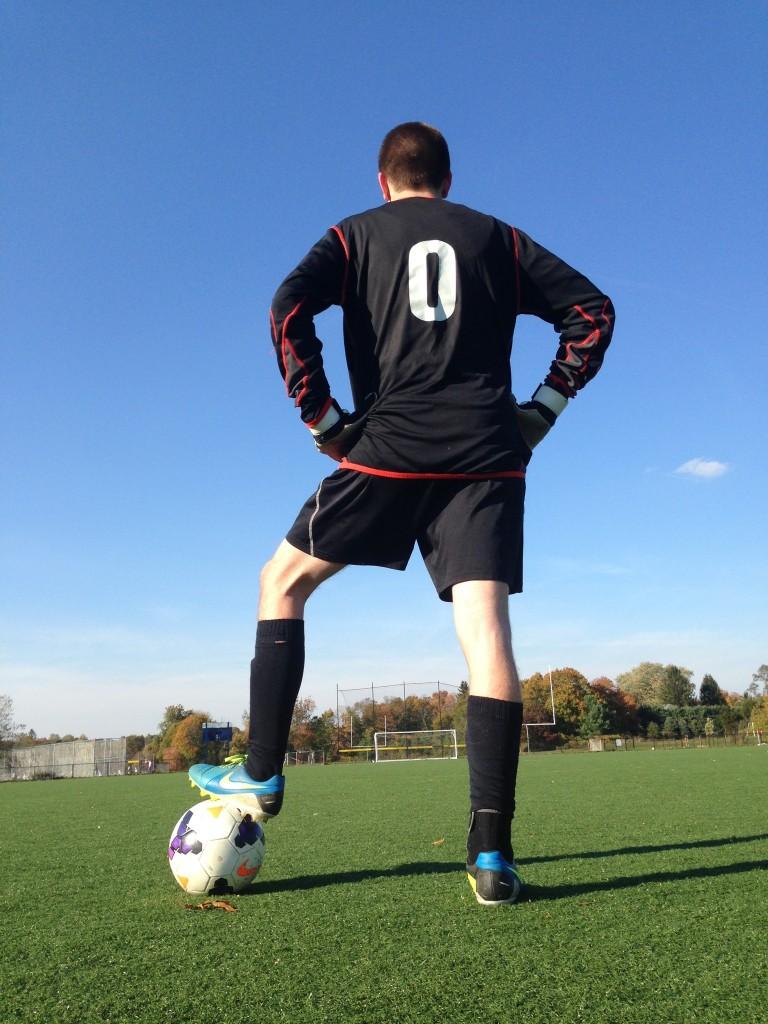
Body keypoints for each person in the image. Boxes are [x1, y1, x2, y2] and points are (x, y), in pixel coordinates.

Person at [189, 122, 614, 906]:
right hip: (487, 457)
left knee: (281, 582)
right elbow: (592, 311)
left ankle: (263, 769)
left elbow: (288, 310)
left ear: (382, 180)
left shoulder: (352, 237)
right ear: (447, 181)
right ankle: (492, 855)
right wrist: (544, 409)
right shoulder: (498, 238)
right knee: (487, 634)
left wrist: (323, 421)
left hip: (386, 448)